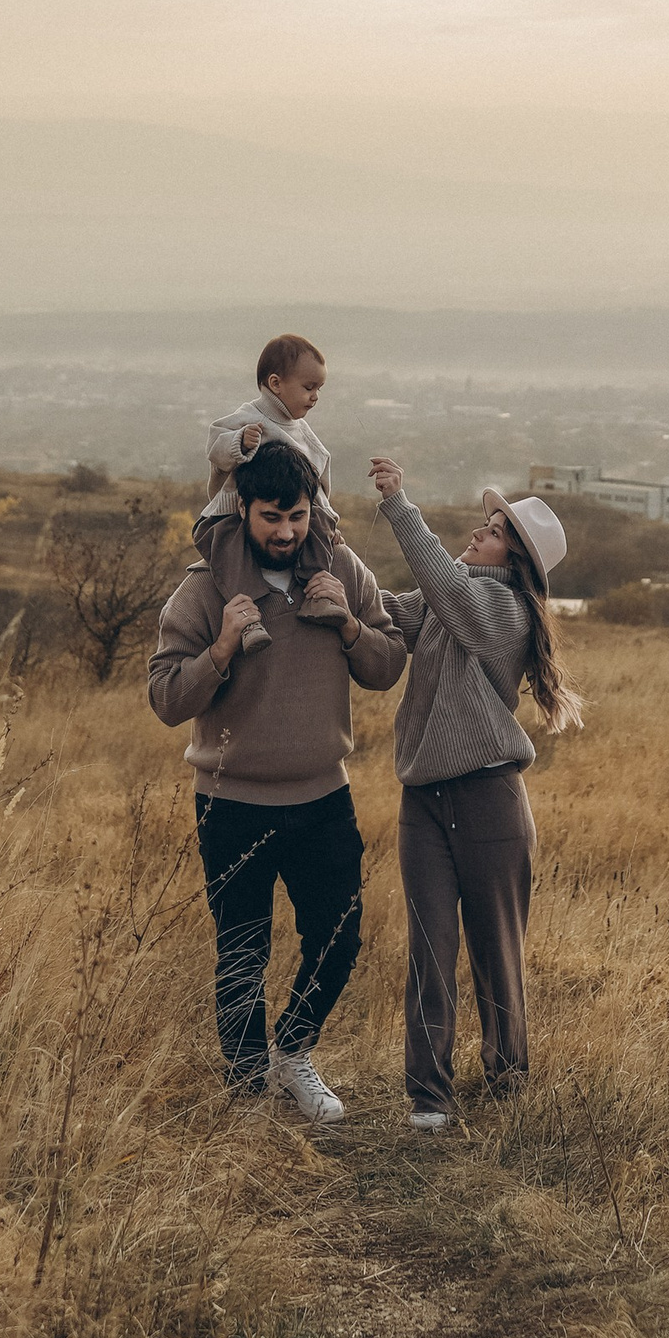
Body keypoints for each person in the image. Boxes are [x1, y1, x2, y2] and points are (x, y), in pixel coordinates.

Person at [148, 436, 407, 1121]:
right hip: (231, 805)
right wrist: (223, 647)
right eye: (271, 517)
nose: (286, 531)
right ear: (243, 508)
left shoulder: (342, 569)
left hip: (324, 797)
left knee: (339, 938)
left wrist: (348, 624)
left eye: (297, 516)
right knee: (242, 952)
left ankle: (293, 1052)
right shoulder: (203, 588)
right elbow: (166, 699)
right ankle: (246, 1092)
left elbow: (386, 667)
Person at [368, 460, 582, 1134]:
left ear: (514, 561)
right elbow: (382, 607)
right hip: (424, 802)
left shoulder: (503, 612)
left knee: (496, 954)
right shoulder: (449, 598)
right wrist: (326, 540)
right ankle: (429, 1098)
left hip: (490, 800)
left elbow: (444, 589)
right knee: (428, 951)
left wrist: (399, 504)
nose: (478, 533)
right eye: (485, 524)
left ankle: (507, 1083)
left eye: (493, 532)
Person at [194, 335, 337, 645]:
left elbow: (318, 472)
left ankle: (318, 596)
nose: (315, 397)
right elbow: (215, 446)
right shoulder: (250, 417)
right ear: (275, 384)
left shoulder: (303, 432)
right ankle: (247, 621)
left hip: (291, 510)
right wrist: (239, 442)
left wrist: (327, 519)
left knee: (319, 538)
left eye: (319, 389)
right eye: (308, 387)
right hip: (234, 513)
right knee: (232, 559)